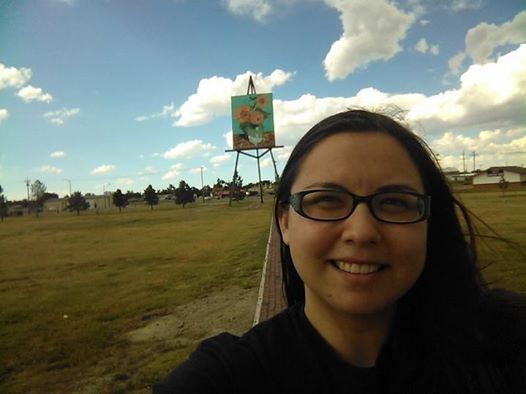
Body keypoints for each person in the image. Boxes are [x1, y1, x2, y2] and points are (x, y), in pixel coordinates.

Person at [153, 109, 525, 393]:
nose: (361, 232)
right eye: (327, 200)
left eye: (395, 202)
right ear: (284, 222)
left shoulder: (505, 337)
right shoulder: (228, 377)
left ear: (429, 220)